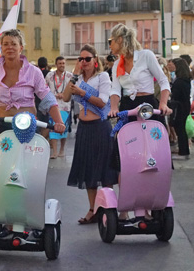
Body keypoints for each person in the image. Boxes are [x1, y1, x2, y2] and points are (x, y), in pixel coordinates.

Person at [108, 24, 171, 220]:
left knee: (154, 155)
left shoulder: (145, 56)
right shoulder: (116, 64)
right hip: (128, 108)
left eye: (111, 41)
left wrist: (163, 104)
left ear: (120, 40)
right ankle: (124, 206)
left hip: (149, 106)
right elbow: (115, 90)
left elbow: (163, 81)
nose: (109, 45)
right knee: (124, 156)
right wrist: (114, 108)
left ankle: (153, 204)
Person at [62, 45, 116, 224]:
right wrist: (75, 76)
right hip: (84, 128)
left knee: (104, 170)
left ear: (95, 60)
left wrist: (83, 93)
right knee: (88, 170)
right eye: (81, 59)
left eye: (87, 59)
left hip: (100, 127)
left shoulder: (103, 77)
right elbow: (65, 97)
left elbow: (102, 102)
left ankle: (108, 209)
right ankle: (93, 209)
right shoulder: (76, 79)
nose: (83, 62)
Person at [0, 30, 66, 141]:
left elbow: (47, 98)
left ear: (21, 48)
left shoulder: (33, 71)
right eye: (6, 44)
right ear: (1, 48)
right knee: (1, 158)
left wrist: (59, 122)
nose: (10, 47)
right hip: (2, 125)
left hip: (27, 126)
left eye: (14, 44)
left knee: (27, 158)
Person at [45, 56, 73, 158]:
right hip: (53, 105)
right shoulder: (49, 75)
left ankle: (62, 150)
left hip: (65, 106)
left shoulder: (70, 76)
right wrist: (52, 95)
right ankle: (55, 152)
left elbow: (74, 89)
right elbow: (44, 88)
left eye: (63, 63)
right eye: (60, 63)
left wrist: (65, 94)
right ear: (56, 64)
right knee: (53, 128)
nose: (62, 65)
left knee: (63, 129)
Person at [170, 58, 192, 160]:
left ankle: (183, 150)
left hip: (179, 106)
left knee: (180, 128)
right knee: (180, 128)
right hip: (184, 105)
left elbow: (176, 94)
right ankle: (183, 149)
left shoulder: (179, 81)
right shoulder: (185, 79)